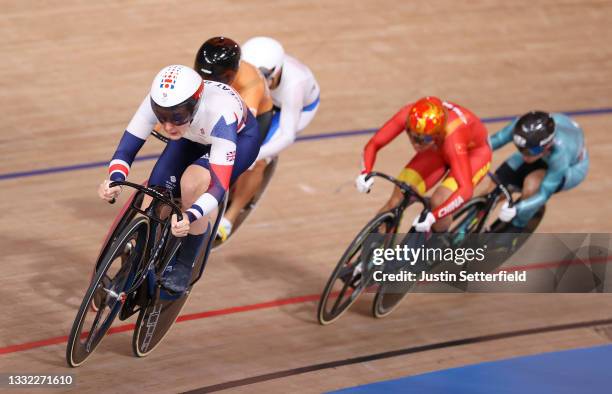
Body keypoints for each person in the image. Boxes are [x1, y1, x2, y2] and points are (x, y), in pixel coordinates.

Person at [98, 64, 260, 293]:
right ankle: (138, 260)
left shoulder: (220, 116)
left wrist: (190, 214)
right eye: (161, 116)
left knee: (192, 185)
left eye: (176, 117)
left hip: (239, 139)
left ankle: (185, 262)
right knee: (153, 198)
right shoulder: (161, 104)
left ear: (194, 106)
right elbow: (126, 149)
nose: (166, 126)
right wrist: (115, 178)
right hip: (192, 134)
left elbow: (218, 186)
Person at [204, 36, 320, 240]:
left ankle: (229, 219)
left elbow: (287, 135)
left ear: (275, 72)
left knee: (257, 159)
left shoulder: (294, 86)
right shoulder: (250, 73)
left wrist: (255, 154)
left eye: (263, 76)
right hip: (265, 101)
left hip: (294, 108)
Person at [356, 96, 492, 233]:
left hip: (473, 154)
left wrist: (433, 217)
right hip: (437, 149)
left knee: (439, 200)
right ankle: (377, 246)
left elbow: (466, 190)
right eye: (412, 135)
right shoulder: (410, 115)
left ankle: (437, 243)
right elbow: (374, 144)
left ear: (438, 134)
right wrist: (365, 172)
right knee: (398, 197)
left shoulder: (452, 139)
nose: (416, 144)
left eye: (423, 139)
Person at [193, 36, 274, 241]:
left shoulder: (252, 84)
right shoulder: (205, 69)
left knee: (251, 163)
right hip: (221, 105)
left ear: (231, 75)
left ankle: (229, 217)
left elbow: (240, 127)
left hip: (251, 116)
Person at [489, 111, 589, 232]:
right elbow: (491, 143)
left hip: (571, 168)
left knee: (532, 186)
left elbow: (544, 193)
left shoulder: (561, 154)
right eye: (520, 149)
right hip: (540, 152)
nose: (525, 156)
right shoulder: (521, 129)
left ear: (546, 146)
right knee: (493, 189)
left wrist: (517, 208)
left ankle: (517, 228)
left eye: (530, 152)